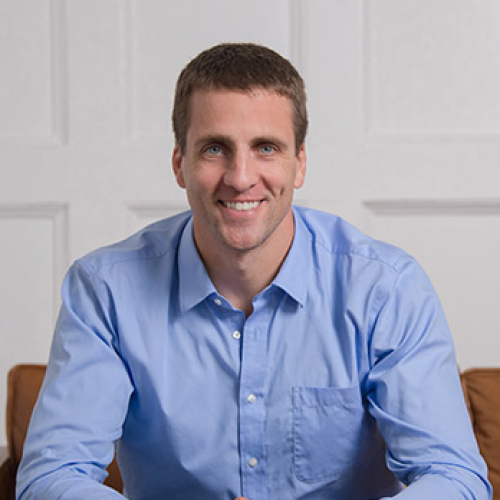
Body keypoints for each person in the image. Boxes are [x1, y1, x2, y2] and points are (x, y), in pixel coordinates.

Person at [17, 43, 491, 500]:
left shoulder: (385, 289)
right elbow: (51, 475)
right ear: (180, 163)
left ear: (299, 164)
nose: (241, 177)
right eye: (214, 149)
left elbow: (454, 477)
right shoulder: (106, 291)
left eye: (265, 148)